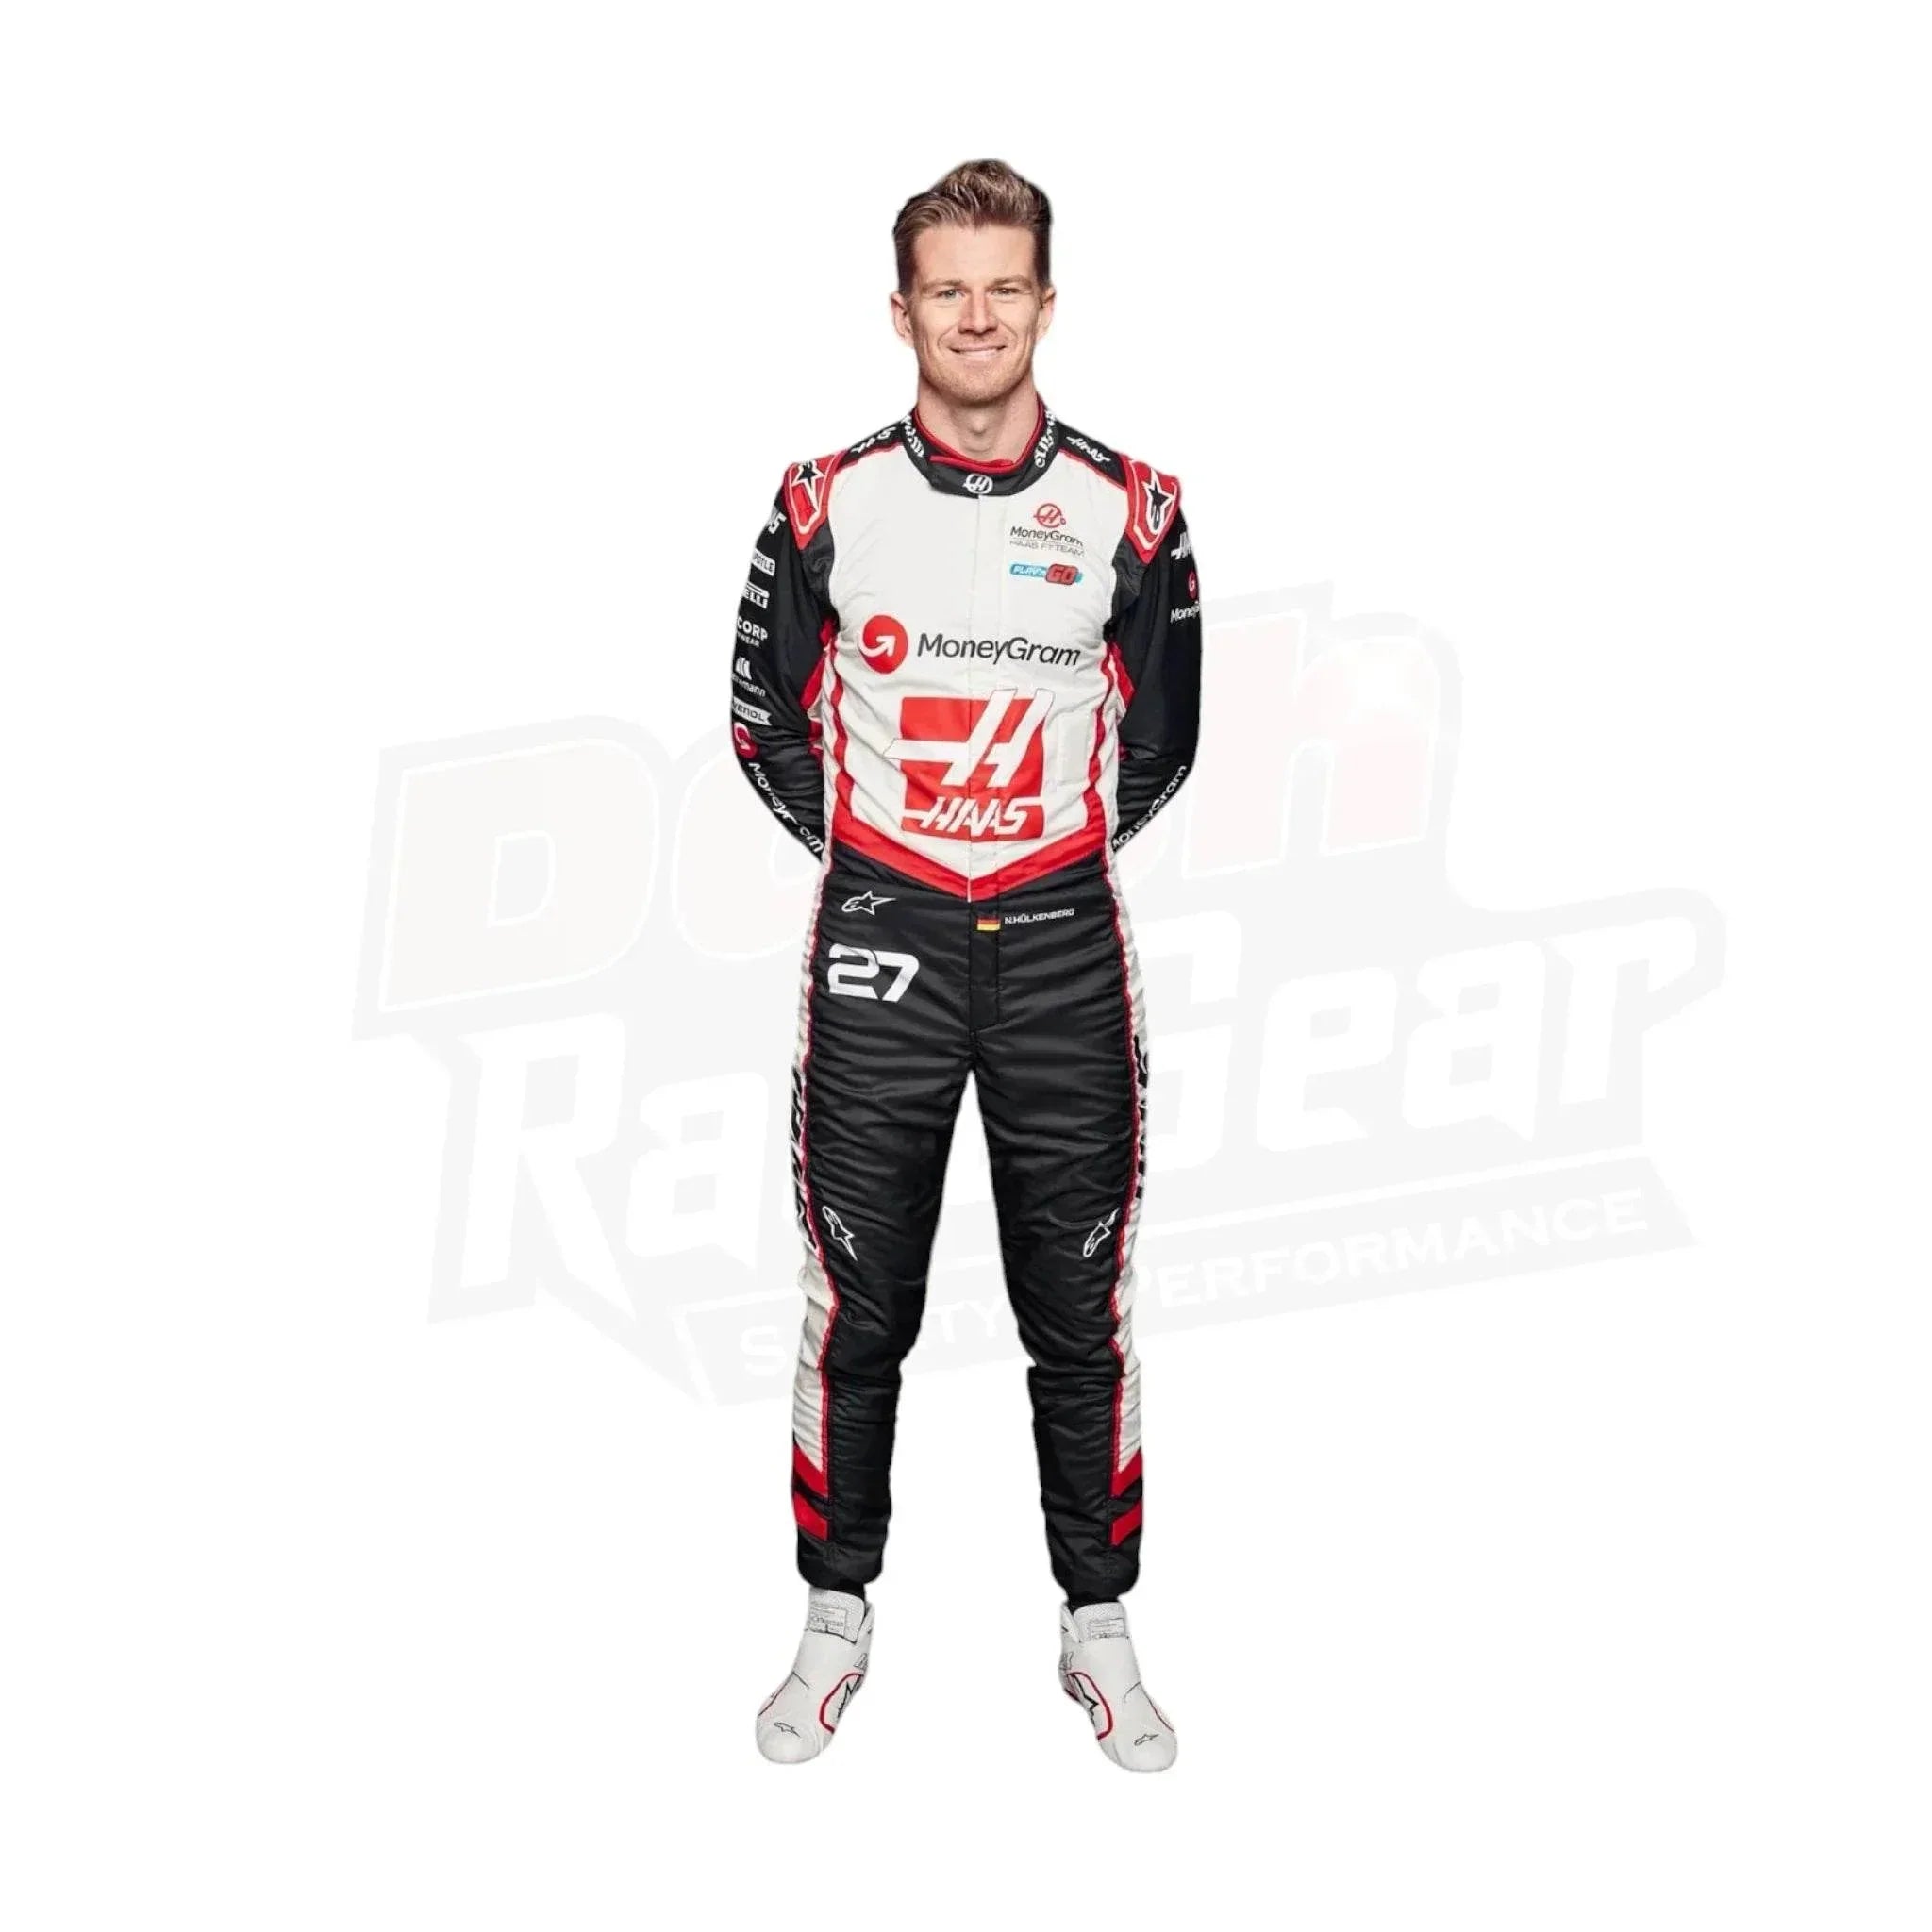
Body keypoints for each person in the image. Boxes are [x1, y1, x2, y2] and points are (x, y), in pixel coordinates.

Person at [731, 159, 1200, 1771]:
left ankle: (1099, 1624)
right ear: (903, 310)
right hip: (885, 944)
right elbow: (764, 726)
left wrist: (1032, 858)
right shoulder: (823, 501)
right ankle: (834, 1616)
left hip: (1066, 948)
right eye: (950, 289)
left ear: (1047, 303)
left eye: (1006, 287)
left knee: (1082, 1309)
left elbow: (1164, 743)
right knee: (857, 1305)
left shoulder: (1139, 507)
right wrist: (892, 866)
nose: (979, 316)